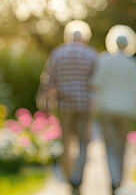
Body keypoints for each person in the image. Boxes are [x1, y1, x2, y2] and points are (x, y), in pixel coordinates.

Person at [37, 20, 98, 195]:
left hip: (64, 105)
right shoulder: (91, 54)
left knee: (66, 142)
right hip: (85, 105)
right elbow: (96, 83)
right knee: (84, 142)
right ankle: (77, 178)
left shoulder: (58, 53)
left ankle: (68, 176)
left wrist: (46, 104)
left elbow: (48, 80)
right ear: (85, 37)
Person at [91, 31, 136, 193]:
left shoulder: (103, 61)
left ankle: (114, 179)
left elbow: (95, 83)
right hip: (126, 112)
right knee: (122, 148)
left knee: (109, 147)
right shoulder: (134, 64)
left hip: (106, 110)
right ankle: (120, 184)